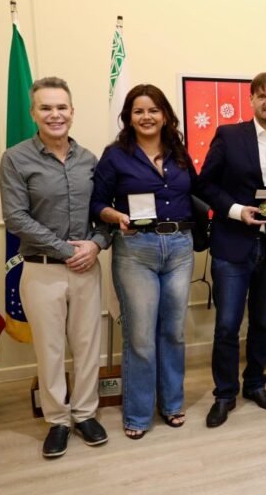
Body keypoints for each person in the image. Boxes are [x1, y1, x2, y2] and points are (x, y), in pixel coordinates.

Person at [0, 76, 108, 458]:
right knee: (50, 350)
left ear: (72, 112)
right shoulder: (15, 159)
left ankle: (86, 414)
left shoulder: (90, 160)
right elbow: (15, 217)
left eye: (61, 107)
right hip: (41, 270)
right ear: (34, 113)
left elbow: (103, 213)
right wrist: (65, 250)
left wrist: (96, 244)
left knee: (88, 346)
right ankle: (58, 421)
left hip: (86, 267)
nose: (55, 114)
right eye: (46, 108)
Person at [198, 72, 266, 427]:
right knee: (227, 325)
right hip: (232, 243)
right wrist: (234, 210)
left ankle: (255, 383)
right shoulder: (229, 136)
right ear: (252, 100)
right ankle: (224, 393)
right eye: (262, 96)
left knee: (262, 322)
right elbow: (205, 185)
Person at [91, 84, 195, 439]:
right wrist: (116, 216)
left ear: (165, 115)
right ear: (129, 117)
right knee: (140, 336)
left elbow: (196, 190)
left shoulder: (179, 152)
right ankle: (137, 414)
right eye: (139, 111)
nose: (146, 117)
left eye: (153, 110)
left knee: (173, 332)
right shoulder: (115, 155)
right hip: (136, 249)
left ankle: (172, 403)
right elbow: (96, 204)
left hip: (179, 247)